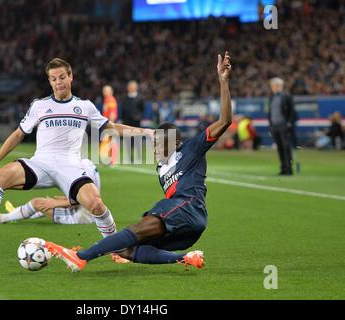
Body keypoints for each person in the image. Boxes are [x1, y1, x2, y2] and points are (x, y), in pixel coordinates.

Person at [42, 52, 232, 272]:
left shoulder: (191, 149)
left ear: (175, 141)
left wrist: (223, 81)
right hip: (187, 225)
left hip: (188, 208)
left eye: (160, 143)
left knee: (136, 229)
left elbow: (225, 121)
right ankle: (185, 258)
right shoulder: (161, 168)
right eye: (154, 144)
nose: (155, 148)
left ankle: (80, 257)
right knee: (126, 249)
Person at [0, 58, 154, 252]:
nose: (58, 82)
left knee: (97, 205)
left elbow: (111, 127)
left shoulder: (85, 106)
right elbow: (18, 134)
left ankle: (117, 250)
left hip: (70, 167)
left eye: (61, 77)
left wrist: (146, 132)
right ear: (49, 81)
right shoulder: (39, 106)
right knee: (0, 177)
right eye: (53, 79)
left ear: (70, 77)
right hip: (40, 163)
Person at [0, 158, 99, 225]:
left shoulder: (81, 166)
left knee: (37, 203)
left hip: (81, 217)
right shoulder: (87, 164)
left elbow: (84, 200)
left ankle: (3, 218)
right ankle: (16, 213)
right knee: (46, 204)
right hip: (85, 211)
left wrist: (56, 203)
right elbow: (89, 195)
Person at [268, 77, 297, 175]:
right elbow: (270, 112)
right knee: (280, 148)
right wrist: (271, 124)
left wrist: (289, 124)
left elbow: (292, 112)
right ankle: (283, 168)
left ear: (278, 86)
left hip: (284, 126)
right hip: (275, 126)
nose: (272, 88)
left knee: (286, 148)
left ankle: (289, 169)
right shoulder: (272, 97)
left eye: (273, 86)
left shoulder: (286, 96)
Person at [120, 80, 145, 163]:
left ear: (136, 88)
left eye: (132, 86)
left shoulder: (140, 98)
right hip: (126, 122)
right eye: (129, 86)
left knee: (137, 139)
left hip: (136, 122)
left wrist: (138, 117)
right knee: (127, 140)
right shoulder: (125, 98)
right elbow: (123, 109)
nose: (130, 88)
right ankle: (129, 157)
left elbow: (142, 109)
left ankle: (138, 157)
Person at [99, 85, 119, 165]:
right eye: (104, 91)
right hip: (107, 123)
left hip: (109, 124)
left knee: (110, 140)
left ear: (111, 92)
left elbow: (112, 114)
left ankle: (112, 159)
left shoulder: (110, 100)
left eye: (106, 91)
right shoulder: (107, 100)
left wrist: (110, 124)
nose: (105, 92)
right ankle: (110, 159)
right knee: (109, 140)